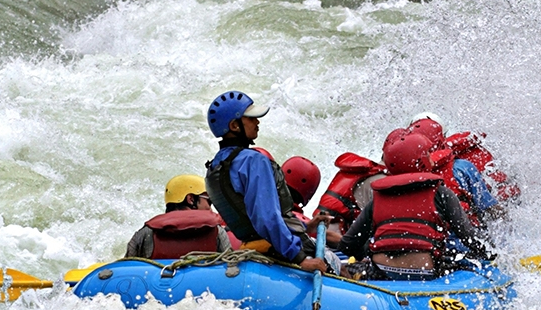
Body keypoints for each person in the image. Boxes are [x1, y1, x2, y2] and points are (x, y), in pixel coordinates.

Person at [204, 91, 333, 273]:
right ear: (234, 125)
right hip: (281, 249)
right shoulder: (253, 160)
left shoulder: (214, 166)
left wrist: (306, 226)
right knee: (340, 269)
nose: (257, 122)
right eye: (251, 118)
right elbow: (266, 218)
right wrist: (301, 259)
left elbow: (249, 218)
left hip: (252, 246)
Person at [342, 133, 494, 281]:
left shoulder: (378, 199)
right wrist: (491, 255)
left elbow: (348, 245)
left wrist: (368, 253)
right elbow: (468, 237)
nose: (432, 158)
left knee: (342, 269)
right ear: (420, 161)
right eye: (427, 154)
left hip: (382, 271)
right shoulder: (441, 194)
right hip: (425, 271)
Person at [124, 174, 236, 259]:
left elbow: (127, 268)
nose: (210, 209)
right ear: (191, 199)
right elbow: (231, 267)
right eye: (209, 202)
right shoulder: (217, 231)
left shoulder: (146, 233)